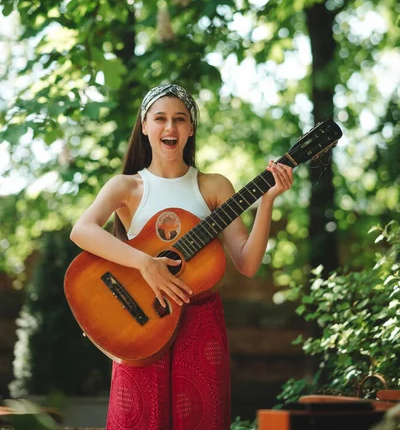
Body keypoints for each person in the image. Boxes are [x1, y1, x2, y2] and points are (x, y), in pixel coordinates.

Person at [70, 83, 293, 430]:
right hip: (140, 321)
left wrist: (267, 200)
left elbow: (248, 264)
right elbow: (82, 230)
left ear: (191, 129)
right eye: (160, 119)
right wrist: (145, 263)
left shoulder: (215, 186)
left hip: (200, 324)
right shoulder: (126, 187)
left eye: (180, 119)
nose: (170, 127)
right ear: (145, 126)